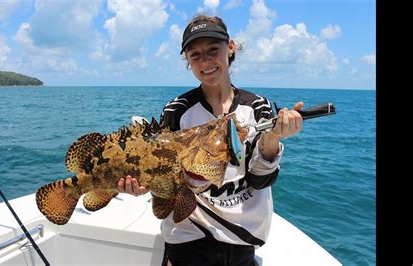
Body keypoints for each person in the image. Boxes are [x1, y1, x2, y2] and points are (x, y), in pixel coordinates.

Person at [118, 14, 303, 266]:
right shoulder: (177, 111)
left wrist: (273, 138)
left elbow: (260, 180)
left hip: (243, 238)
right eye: (195, 55)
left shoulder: (258, 107)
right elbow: (169, 180)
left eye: (213, 50)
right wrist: (143, 185)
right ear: (187, 60)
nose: (205, 61)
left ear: (230, 48)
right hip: (189, 235)